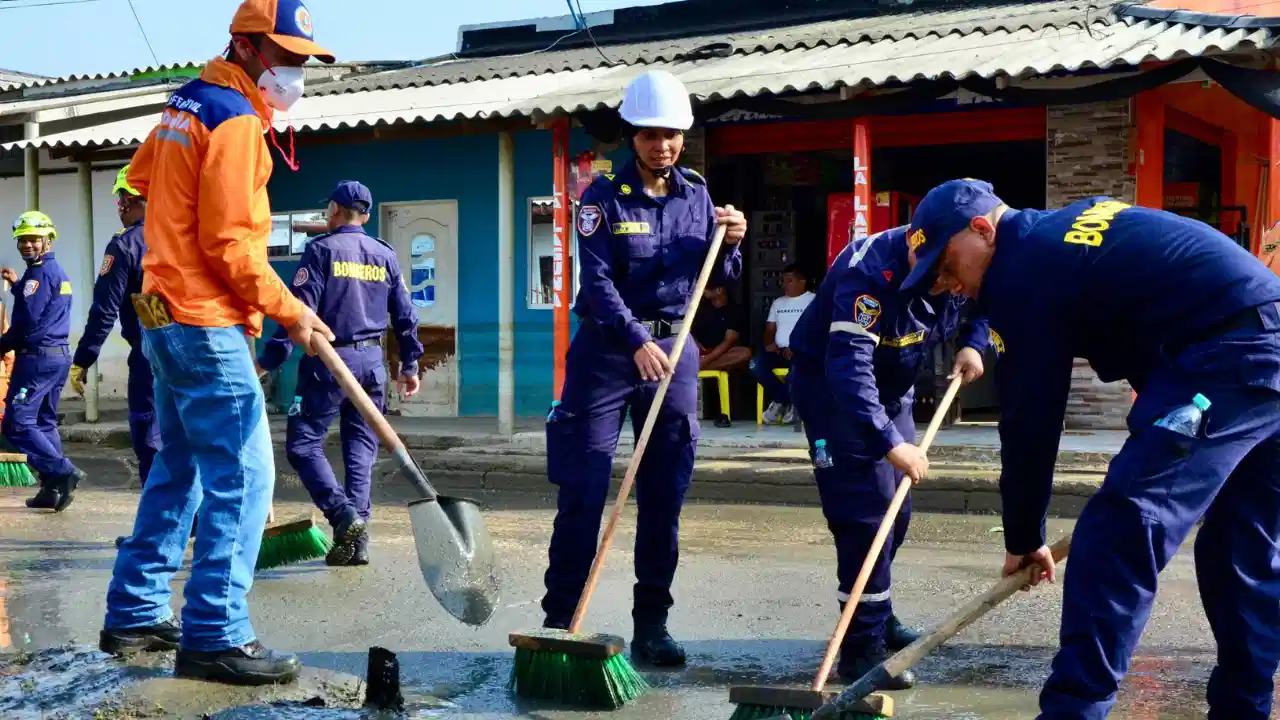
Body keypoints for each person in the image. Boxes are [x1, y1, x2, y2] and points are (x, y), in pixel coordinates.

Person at [903, 178, 1280, 719]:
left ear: (982, 230)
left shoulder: (1020, 272)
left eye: (945, 264)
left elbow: (1031, 417)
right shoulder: (1054, 236)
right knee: (1242, 548)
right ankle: (1243, 710)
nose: (946, 285)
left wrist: (1023, 536)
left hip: (1227, 356)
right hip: (1258, 346)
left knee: (1119, 532)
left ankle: (1071, 713)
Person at [100, 0, 336, 687]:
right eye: (286, 57)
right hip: (202, 317)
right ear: (246, 46)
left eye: (302, 60)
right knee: (244, 475)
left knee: (182, 466)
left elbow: (139, 181)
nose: (294, 71)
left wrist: (164, 238)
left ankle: (137, 611)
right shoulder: (233, 121)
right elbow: (230, 242)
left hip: (162, 312)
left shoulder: (187, 102)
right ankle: (215, 633)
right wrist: (292, 312)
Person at [541, 69, 747, 666]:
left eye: (673, 135)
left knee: (664, 495)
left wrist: (730, 242)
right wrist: (634, 338)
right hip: (608, 353)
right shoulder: (601, 197)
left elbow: (719, 284)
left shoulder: (699, 195)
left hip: (675, 351)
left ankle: (652, 626)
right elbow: (597, 283)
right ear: (632, 135)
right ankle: (560, 621)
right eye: (652, 135)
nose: (663, 146)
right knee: (583, 489)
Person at [788, 224, 988, 687]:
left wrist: (975, 342)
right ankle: (860, 651)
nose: (953, 287)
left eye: (959, 279)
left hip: (892, 390)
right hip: (834, 391)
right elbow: (849, 367)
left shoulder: (963, 260)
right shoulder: (869, 272)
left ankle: (878, 611)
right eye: (943, 278)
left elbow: (988, 303)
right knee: (865, 516)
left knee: (896, 513)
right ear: (921, 256)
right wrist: (890, 443)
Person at [258, 181, 424, 567]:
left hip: (330, 363)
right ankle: (355, 541)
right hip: (372, 366)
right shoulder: (384, 254)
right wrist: (410, 365)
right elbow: (406, 316)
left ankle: (343, 515)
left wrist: (268, 360)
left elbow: (296, 314)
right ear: (365, 215)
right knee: (360, 453)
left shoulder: (321, 251)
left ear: (333, 210)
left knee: (302, 446)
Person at [70, 165, 160, 495]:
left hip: (153, 350)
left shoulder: (127, 244)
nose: (119, 208)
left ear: (129, 200)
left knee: (150, 436)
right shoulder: (186, 234)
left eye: (120, 199)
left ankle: (160, 527)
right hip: (201, 347)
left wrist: (84, 358)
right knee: (191, 437)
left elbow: (105, 310)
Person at [2, 211, 83, 513]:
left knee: (17, 423)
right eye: (22, 239)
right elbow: (40, 305)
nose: (27, 245)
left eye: (33, 239)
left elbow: (26, 323)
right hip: (57, 357)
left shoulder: (36, 277)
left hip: (35, 360)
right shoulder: (55, 273)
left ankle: (63, 471)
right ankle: (51, 490)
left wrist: (3, 344)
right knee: (43, 422)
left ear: (48, 240)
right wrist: (18, 283)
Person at [752, 263, 814, 424]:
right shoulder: (778, 302)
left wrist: (796, 347)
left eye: (789, 281)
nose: (784, 285)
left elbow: (816, 330)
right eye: (783, 281)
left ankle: (789, 404)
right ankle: (783, 400)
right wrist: (769, 344)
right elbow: (770, 328)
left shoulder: (813, 301)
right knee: (754, 365)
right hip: (779, 351)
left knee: (796, 371)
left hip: (802, 351)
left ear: (802, 282)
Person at [692, 284, 752, 373]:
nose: (704, 289)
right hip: (698, 352)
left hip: (720, 354)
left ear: (719, 290)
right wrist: (696, 344)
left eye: (707, 287)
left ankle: (698, 367)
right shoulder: (700, 307)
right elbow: (688, 331)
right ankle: (697, 366)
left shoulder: (734, 310)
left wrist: (706, 360)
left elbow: (728, 342)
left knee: (745, 353)